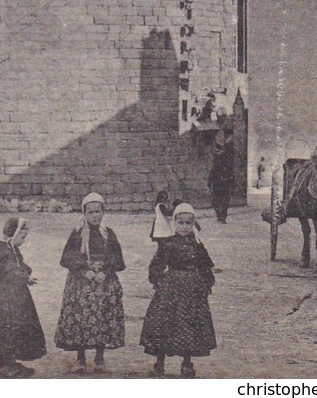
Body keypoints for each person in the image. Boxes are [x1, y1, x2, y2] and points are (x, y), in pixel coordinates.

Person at [140, 202, 216, 378]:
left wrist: (206, 283)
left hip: (192, 290)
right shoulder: (168, 244)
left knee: (189, 325)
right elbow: (157, 264)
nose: (184, 227)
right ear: (174, 222)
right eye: (180, 223)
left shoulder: (197, 246)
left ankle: (187, 362)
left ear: (193, 224)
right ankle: (160, 361)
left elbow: (205, 266)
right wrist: (158, 281)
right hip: (171, 289)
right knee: (165, 323)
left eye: (188, 223)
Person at [54, 192, 126, 374]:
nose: (95, 215)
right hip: (81, 283)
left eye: (98, 211)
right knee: (81, 320)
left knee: (102, 318)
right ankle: (80, 357)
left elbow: (117, 258)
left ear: (103, 212)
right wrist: (83, 270)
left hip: (104, 283)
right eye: (91, 212)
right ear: (84, 213)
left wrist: (105, 271)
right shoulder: (78, 234)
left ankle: (99, 356)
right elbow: (66, 258)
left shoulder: (108, 234)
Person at [0, 216, 46, 378]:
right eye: (23, 237)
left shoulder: (11, 247)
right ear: (14, 233)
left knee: (15, 328)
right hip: (4, 295)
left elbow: (18, 265)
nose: (24, 241)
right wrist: (26, 278)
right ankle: (4, 364)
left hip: (14, 294)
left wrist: (26, 270)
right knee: (5, 328)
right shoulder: (3, 249)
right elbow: (9, 271)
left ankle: (10, 361)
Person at [208, 130, 234, 223]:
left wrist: (209, 183)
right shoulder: (226, 161)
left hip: (219, 184)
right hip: (222, 184)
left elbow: (213, 173)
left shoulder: (219, 161)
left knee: (219, 201)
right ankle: (222, 217)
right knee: (222, 201)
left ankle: (221, 216)